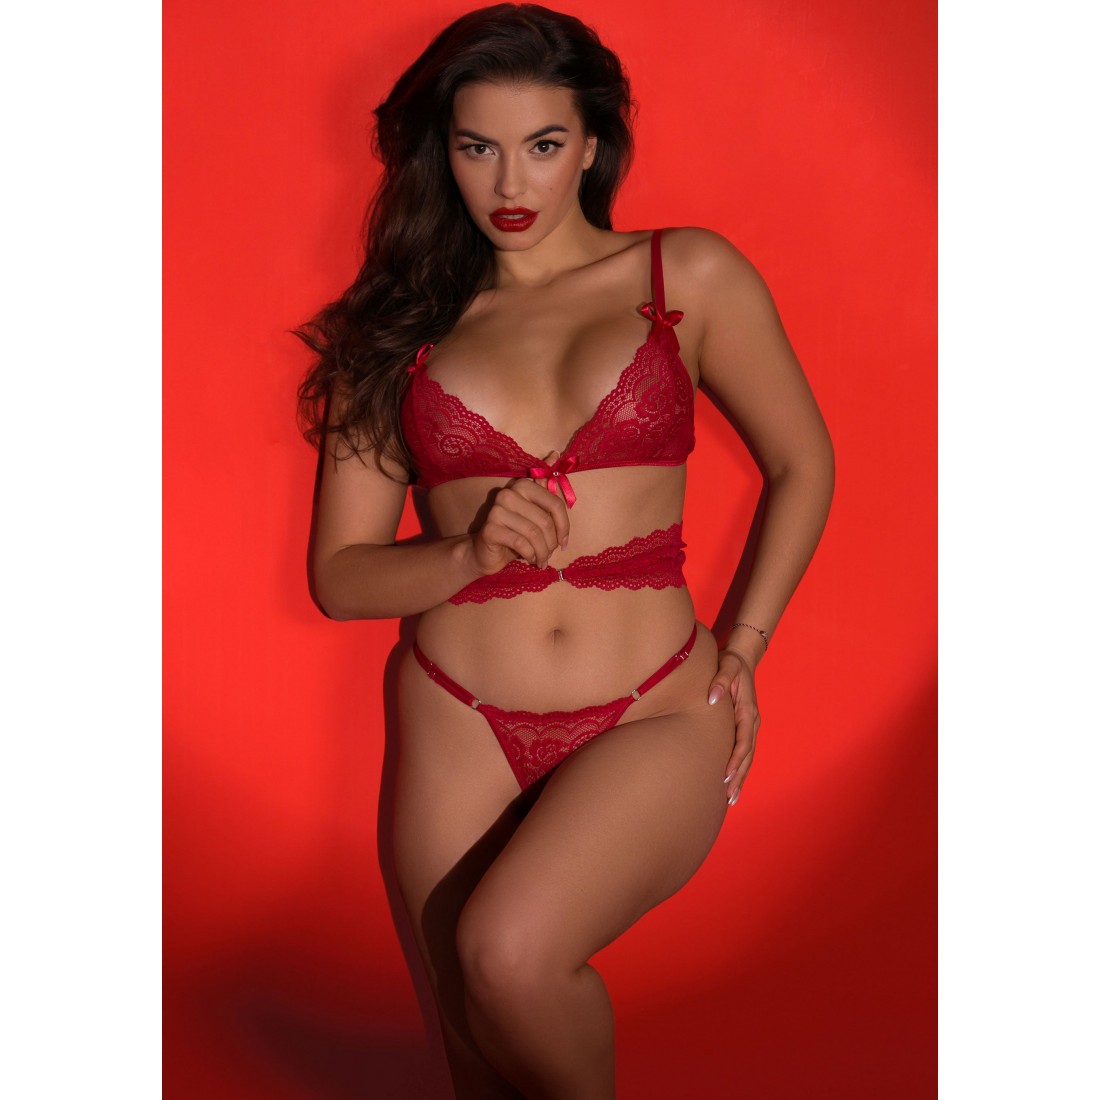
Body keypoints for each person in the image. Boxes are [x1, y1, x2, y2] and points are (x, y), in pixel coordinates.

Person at [296, 4, 834, 1097]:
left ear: (591, 144)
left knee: (511, 951)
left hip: (652, 706)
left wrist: (744, 644)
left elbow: (803, 461)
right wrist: (461, 556)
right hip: (457, 719)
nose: (511, 182)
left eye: (542, 145)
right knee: (475, 1053)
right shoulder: (396, 329)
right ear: (440, 150)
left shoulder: (685, 276)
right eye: (477, 146)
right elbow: (340, 576)